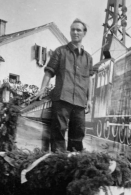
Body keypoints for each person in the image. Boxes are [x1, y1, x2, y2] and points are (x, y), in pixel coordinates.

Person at [36, 18, 93, 152]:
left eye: (78, 30)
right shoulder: (60, 52)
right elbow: (49, 72)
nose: (75, 32)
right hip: (62, 99)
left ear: (84, 33)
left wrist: (89, 99)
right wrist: (42, 89)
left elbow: (89, 80)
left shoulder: (88, 58)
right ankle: (58, 161)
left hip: (80, 101)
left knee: (78, 133)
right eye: (72, 29)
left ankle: (75, 164)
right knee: (59, 132)